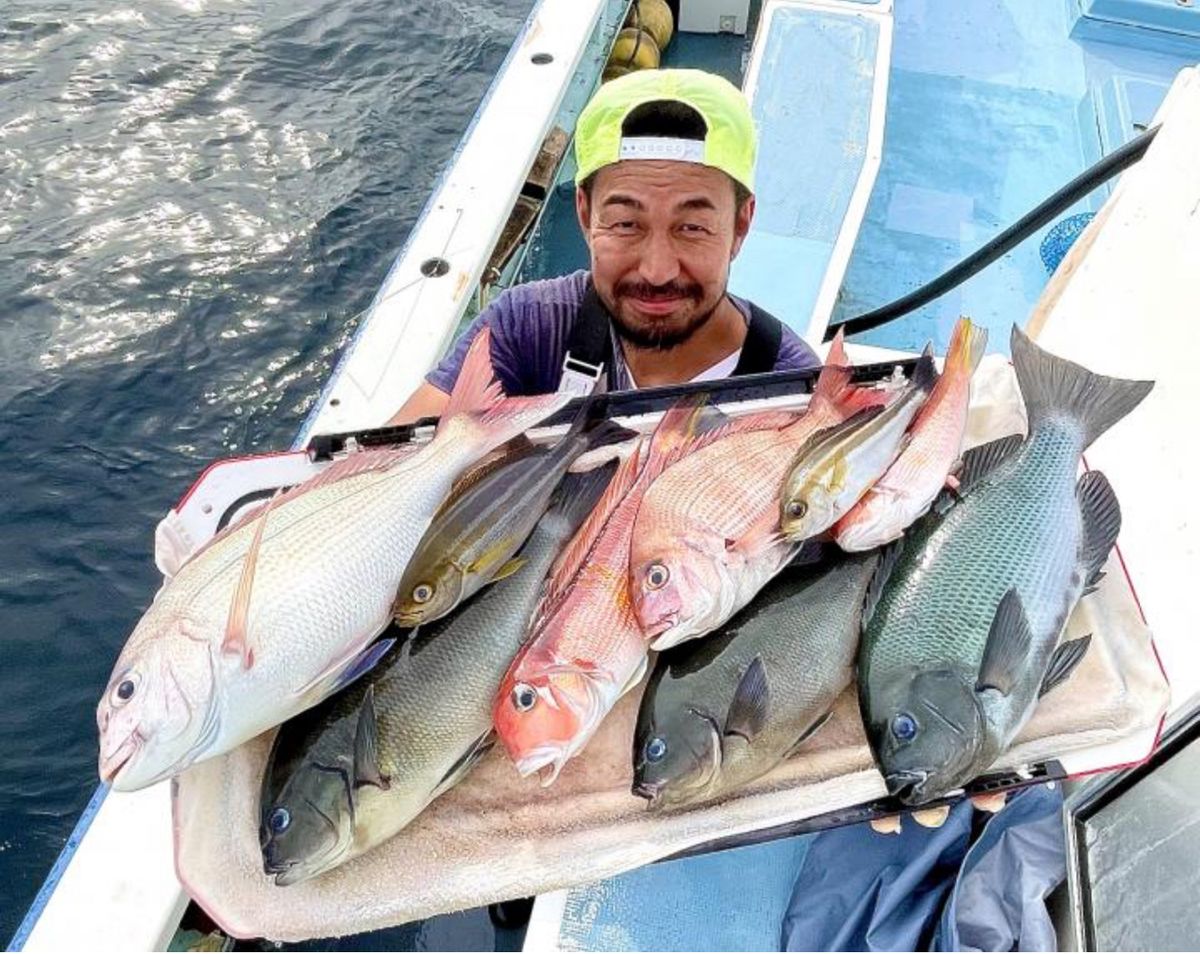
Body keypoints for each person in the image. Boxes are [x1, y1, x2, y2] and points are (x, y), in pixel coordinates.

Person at [389, 67, 821, 424]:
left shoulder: (795, 389)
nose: (656, 271)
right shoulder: (528, 328)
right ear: (584, 216)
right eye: (626, 223)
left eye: (691, 227)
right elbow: (388, 470)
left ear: (740, 225)